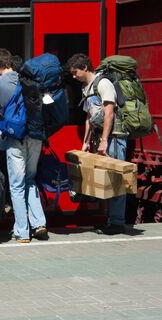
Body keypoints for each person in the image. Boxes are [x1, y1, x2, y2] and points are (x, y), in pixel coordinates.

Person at [0, 48, 48, 243]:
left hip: (15, 138)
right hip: (35, 136)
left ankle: (22, 231)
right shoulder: (29, 78)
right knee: (30, 179)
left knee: (17, 186)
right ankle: (39, 223)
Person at [67, 53, 126, 235]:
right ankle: (110, 220)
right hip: (101, 136)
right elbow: (89, 117)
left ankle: (117, 222)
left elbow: (109, 113)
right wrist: (86, 142)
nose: (74, 76)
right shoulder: (87, 87)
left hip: (114, 136)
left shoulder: (103, 84)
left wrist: (104, 141)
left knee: (116, 178)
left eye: (75, 72)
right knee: (105, 179)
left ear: (85, 67)